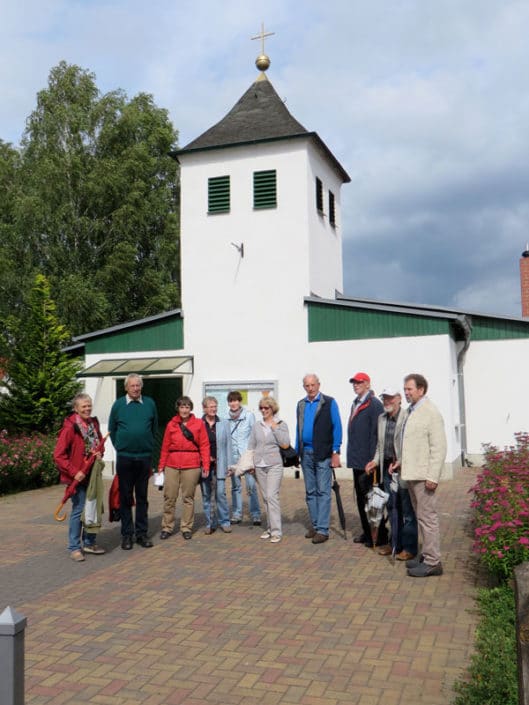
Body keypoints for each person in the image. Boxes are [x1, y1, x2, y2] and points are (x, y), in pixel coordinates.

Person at [401, 373, 447, 577]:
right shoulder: (412, 411)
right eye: (405, 389)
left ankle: (433, 562)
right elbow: (413, 443)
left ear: (421, 390)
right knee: (421, 517)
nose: (406, 392)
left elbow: (439, 447)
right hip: (412, 473)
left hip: (424, 476)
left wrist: (433, 476)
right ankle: (427, 555)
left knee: (428, 518)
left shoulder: (431, 412)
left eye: (410, 389)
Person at [365, 387, 417, 560]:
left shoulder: (407, 417)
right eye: (384, 398)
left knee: (406, 509)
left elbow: (410, 445)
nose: (387, 401)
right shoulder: (382, 418)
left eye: (390, 398)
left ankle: (409, 547)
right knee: (392, 507)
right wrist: (374, 461)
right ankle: (395, 543)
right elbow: (380, 446)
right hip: (386, 469)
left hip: (403, 468)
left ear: (399, 399)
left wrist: (400, 462)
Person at [54, 393, 106, 562]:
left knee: (92, 508)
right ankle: (74, 547)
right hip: (76, 477)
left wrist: (99, 454)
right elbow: (59, 455)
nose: (87, 408)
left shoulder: (93, 423)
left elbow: (99, 446)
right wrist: (73, 471)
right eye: (83, 406)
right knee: (79, 509)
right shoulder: (70, 428)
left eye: (89, 405)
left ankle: (89, 542)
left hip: (92, 475)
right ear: (76, 408)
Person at [108, 373, 158, 550]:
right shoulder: (118, 405)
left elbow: (154, 428)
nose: (136, 388)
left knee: (142, 497)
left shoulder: (150, 403)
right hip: (125, 458)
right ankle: (127, 535)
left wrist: (148, 447)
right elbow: (112, 429)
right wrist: (121, 447)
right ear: (126, 387)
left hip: (144, 457)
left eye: (138, 385)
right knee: (125, 497)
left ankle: (142, 534)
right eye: (132, 386)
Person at [296, 374, 342, 544]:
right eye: (307, 385)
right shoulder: (301, 404)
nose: (310, 388)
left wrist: (336, 451)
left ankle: (323, 529)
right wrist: (297, 451)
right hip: (306, 453)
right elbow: (298, 428)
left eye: (313, 385)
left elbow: (337, 426)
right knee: (310, 491)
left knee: (323, 491)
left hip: (323, 453)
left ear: (318, 385)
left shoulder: (329, 402)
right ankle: (315, 526)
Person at [158, 396, 210, 540]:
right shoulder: (171, 425)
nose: (184, 410)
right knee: (169, 497)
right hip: (172, 464)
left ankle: (186, 527)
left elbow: (205, 446)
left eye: (187, 407)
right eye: (182, 407)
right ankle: (167, 527)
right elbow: (165, 447)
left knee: (188, 498)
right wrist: (161, 466)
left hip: (191, 465)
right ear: (178, 409)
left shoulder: (199, 424)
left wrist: (205, 464)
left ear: (190, 408)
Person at [346, 371, 385, 548]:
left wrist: (373, 460)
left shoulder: (374, 404)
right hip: (357, 460)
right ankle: (367, 531)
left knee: (373, 500)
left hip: (368, 462)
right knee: (362, 499)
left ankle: (379, 535)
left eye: (360, 382)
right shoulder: (356, 403)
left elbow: (376, 435)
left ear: (368, 384)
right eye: (354, 382)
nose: (356, 385)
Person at [248, 397, 291, 543]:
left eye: (266, 408)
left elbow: (285, 443)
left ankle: (276, 531)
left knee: (272, 496)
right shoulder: (257, 425)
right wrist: (250, 464)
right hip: (259, 464)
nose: (263, 410)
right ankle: (269, 527)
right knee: (266, 498)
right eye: (261, 408)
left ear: (273, 408)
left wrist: (275, 428)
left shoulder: (281, 424)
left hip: (274, 464)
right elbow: (251, 446)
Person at [227, 390, 261, 526]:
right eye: (231, 401)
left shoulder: (249, 416)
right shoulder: (225, 418)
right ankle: (236, 513)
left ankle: (256, 514)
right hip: (233, 456)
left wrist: (255, 457)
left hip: (246, 456)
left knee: (251, 486)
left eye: (236, 400)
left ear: (240, 401)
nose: (233, 403)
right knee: (235, 487)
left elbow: (255, 436)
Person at [201, 396, 232, 534]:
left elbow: (228, 446)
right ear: (204, 408)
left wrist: (230, 465)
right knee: (207, 494)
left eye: (215, 406)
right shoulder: (199, 423)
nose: (213, 409)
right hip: (204, 465)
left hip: (220, 465)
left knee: (220, 494)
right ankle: (209, 523)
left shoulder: (223, 423)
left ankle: (224, 521)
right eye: (210, 406)